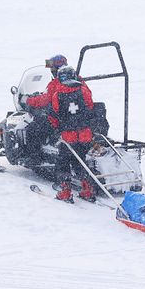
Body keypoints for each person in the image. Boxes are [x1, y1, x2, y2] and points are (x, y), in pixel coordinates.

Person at [48, 66, 97, 203]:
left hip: (68, 134)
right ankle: (87, 189)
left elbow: (54, 114)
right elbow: (90, 106)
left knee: (63, 162)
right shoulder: (83, 90)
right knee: (80, 159)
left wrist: (57, 128)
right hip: (84, 133)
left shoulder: (58, 93)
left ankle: (65, 191)